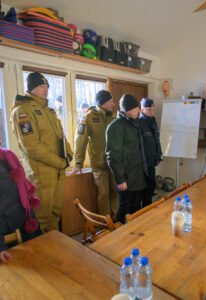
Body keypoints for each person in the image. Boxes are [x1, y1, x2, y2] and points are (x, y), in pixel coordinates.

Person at [10, 72, 73, 233]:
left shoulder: (48, 111)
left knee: (56, 214)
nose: (45, 89)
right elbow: (31, 146)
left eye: (46, 86)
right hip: (41, 176)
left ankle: (55, 249)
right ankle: (46, 254)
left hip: (57, 173)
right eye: (40, 86)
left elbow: (60, 136)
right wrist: (59, 162)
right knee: (42, 219)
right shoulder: (22, 111)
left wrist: (68, 154)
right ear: (31, 88)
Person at [72, 90, 118, 219]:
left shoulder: (114, 116)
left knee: (115, 192)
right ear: (102, 103)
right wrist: (78, 163)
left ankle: (116, 220)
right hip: (99, 164)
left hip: (114, 163)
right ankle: (106, 222)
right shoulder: (89, 117)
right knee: (104, 194)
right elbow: (80, 141)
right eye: (110, 101)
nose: (113, 104)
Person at [106, 94, 147, 223]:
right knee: (124, 209)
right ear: (128, 110)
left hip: (138, 175)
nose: (139, 111)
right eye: (136, 108)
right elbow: (113, 156)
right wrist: (120, 179)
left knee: (136, 209)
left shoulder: (136, 123)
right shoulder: (115, 127)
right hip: (126, 178)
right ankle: (118, 237)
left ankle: (135, 235)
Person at [0, 144, 41, 264]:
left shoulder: (7, 155)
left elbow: (22, 195)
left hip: (26, 225)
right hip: (5, 239)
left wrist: (33, 221)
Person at [139, 98, 163, 207]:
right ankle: (143, 209)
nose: (151, 112)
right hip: (143, 162)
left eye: (152, 109)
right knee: (145, 187)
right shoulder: (139, 123)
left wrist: (159, 155)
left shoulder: (153, 121)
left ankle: (147, 208)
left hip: (152, 159)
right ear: (142, 109)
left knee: (151, 186)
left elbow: (156, 141)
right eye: (149, 109)